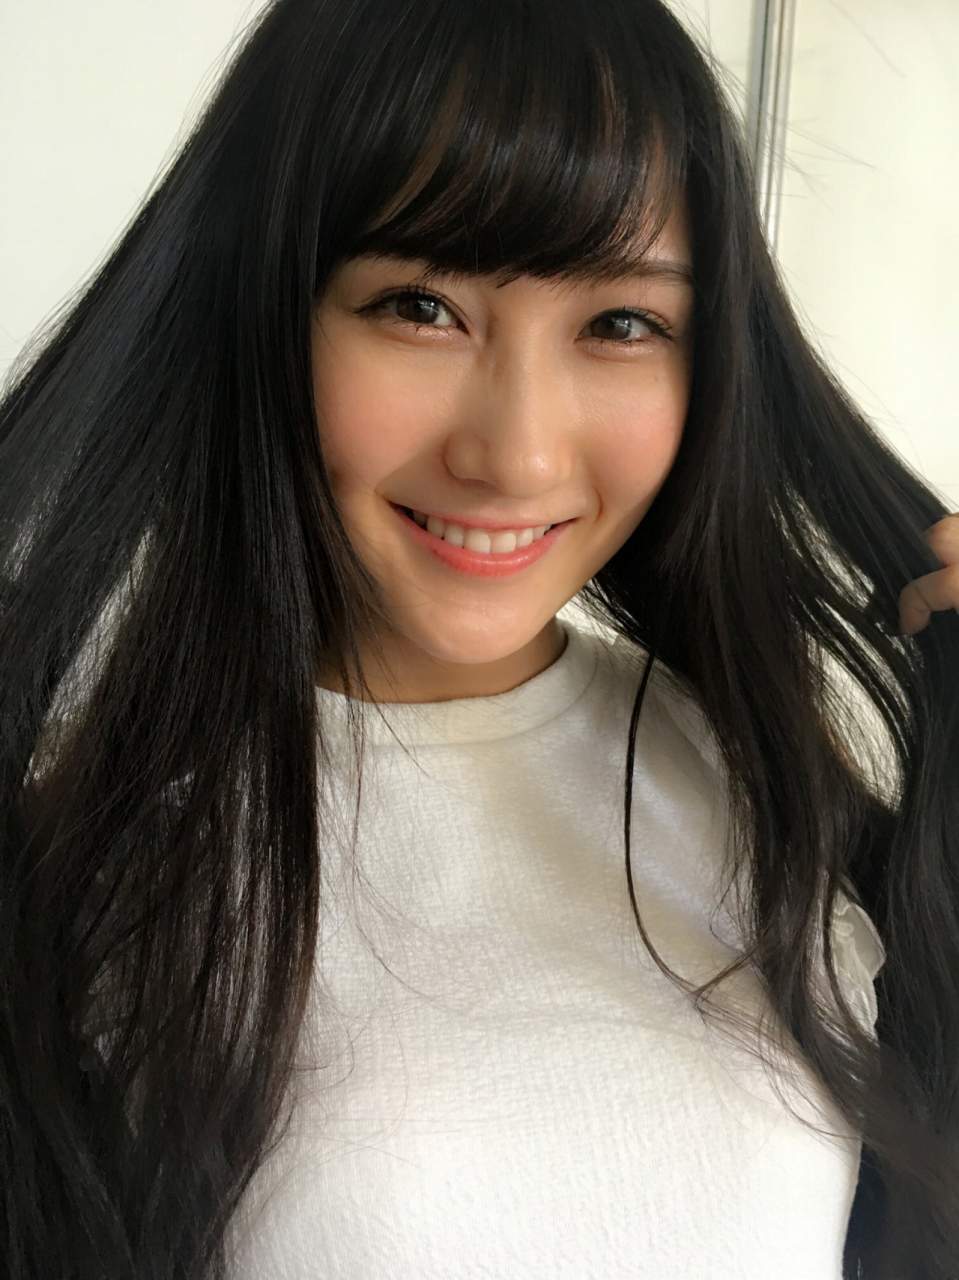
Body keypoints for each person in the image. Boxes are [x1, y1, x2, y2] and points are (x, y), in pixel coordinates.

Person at [0, 1, 957, 1277]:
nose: (515, 454)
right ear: (263, 310)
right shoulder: (101, 863)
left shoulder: (760, 772)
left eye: (620, 323)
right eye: (418, 306)